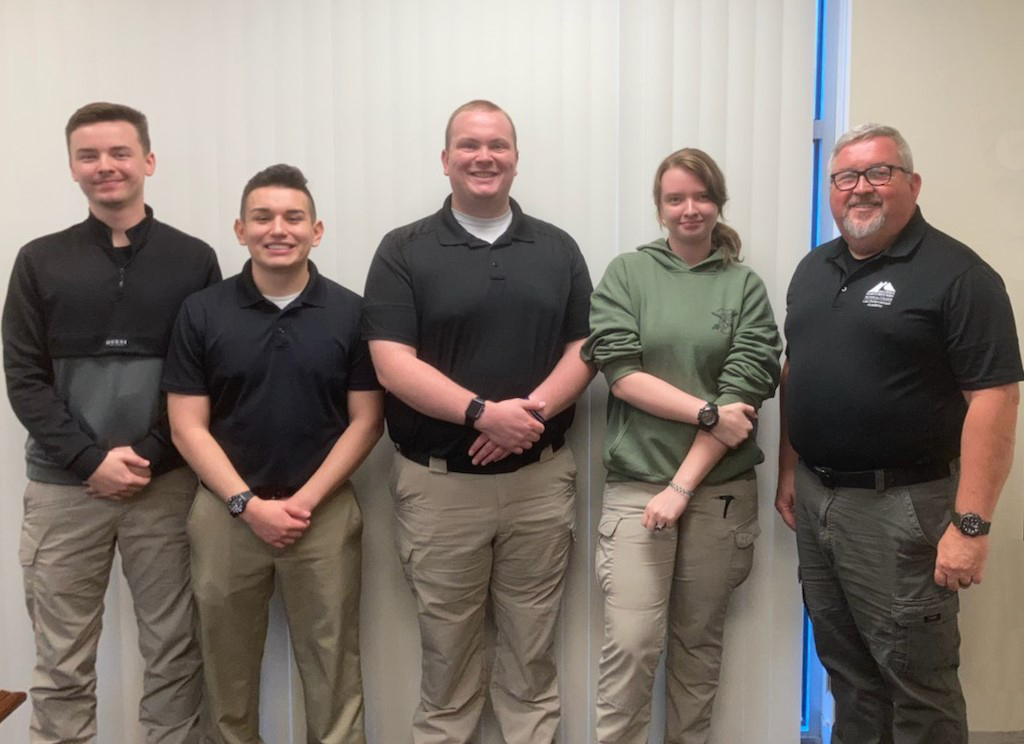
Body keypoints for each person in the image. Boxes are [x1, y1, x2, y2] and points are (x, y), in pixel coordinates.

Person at [775, 123, 1022, 744]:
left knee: (917, 681)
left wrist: (970, 526)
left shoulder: (960, 276)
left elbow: (995, 399)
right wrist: (786, 471)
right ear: (830, 189)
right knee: (848, 673)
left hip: (904, 507)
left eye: (877, 173)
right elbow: (797, 374)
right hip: (817, 497)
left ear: (912, 184)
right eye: (845, 177)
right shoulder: (814, 268)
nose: (860, 188)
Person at [362, 99, 595, 744]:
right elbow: (389, 361)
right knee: (447, 658)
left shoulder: (557, 247)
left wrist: (529, 417)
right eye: (468, 145)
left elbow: (586, 348)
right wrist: (482, 415)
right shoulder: (403, 249)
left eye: (497, 145)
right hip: (439, 492)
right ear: (446, 161)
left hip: (539, 486)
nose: (483, 156)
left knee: (531, 653)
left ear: (516, 158)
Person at [2, 102, 221, 743]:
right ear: (71, 166)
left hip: (166, 487)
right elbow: (24, 378)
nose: (106, 167)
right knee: (62, 660)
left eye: (120, 152)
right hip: (63, 489)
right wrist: (88, 460)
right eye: (89, 155)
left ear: (147, 161)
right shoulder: (39, 260)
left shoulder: (193, 259)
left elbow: (202, 379)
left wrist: (147, 455)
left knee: (175, 653)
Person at [162, 164, 383, 744]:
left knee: (334, 667)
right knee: (226, 672)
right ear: (240, 229)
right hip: (225, 515)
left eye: (293, 217)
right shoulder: (202, 312)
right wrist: (246, 504)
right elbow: (187, 426)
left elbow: (367, 420)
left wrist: (305, 501)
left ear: (317, 230)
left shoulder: (352, 312)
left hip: (324, 513)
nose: (277, 229)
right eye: (262, 217)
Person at [582, 148, 781, 744]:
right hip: (637, 491)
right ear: (659, 207)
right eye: (675, 198)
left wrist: (682, 485)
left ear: (718, 203)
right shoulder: (626, 274)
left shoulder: (744, 285)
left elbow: (745, 393)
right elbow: (620, 370)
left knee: (698, 652)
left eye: (701, 197)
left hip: (717, 497)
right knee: (633, 647)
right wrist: (705, 410)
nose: (689, 209)